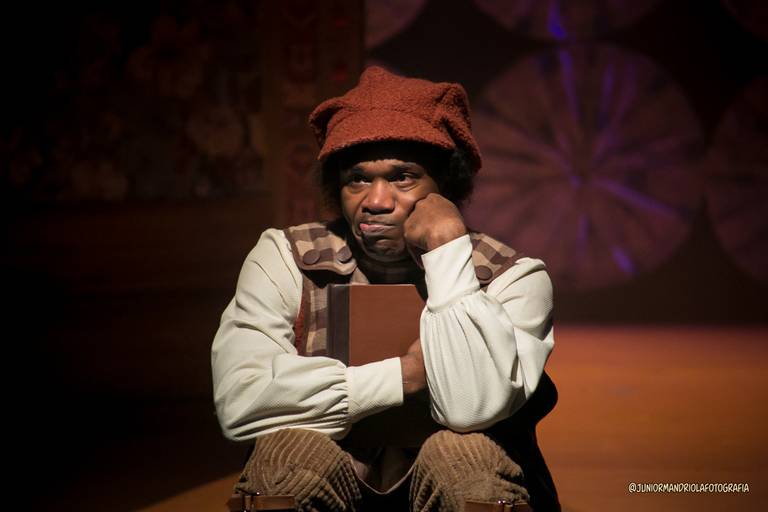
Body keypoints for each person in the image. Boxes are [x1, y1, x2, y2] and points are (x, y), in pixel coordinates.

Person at [212, 66, 560, 511]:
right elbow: (240, 400)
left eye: (402, 177)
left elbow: (470, 408)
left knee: (466, 458)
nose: (376, 201)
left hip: (452, 483)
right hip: (335, 479)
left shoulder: (511, 276)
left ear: (444, 185)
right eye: (358, 178)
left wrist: (447, 249)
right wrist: (405, 375)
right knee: (287, 459)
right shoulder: (286, 257)